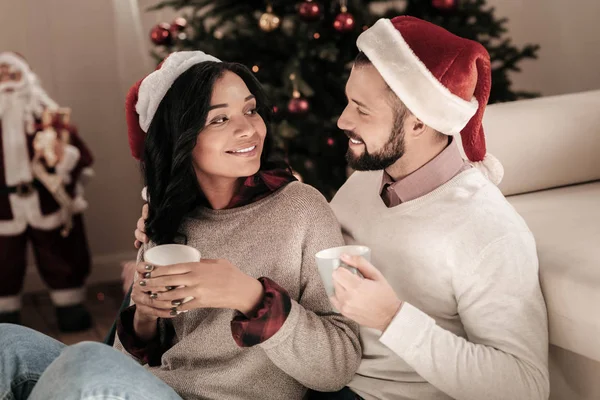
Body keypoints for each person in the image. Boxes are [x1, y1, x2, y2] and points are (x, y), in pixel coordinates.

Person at [130, 15, 551, 400]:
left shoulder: (487, 231)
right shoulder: (365, 183)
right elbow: (279, 228)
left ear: (420, 121)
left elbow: (526, 387)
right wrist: (162, 210)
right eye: (349, 101)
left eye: (361, 110)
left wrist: (393, 319)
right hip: (314, 383)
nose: (341, 120)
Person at [0, 51, 361, 400]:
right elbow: (125, 362)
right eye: (219, 119)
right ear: (181, 137)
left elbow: (339, 365)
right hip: (156, 388)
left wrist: (250, 297)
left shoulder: (302, 209)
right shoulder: (166, 219)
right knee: (7, 343)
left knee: (85, 359)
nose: (248, 129)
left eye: (251, 110)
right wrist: (142, 317)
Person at [0, 51, 94, 332]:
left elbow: (79, 153)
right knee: (3, 259)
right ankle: (6, 314)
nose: (7, 81)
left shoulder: (47, 115)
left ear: (26, 77)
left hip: (45, 198)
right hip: (3, 204)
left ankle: (69, 306)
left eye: (13, 74)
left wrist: (62, 157)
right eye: (1, 75)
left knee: (59, 251)